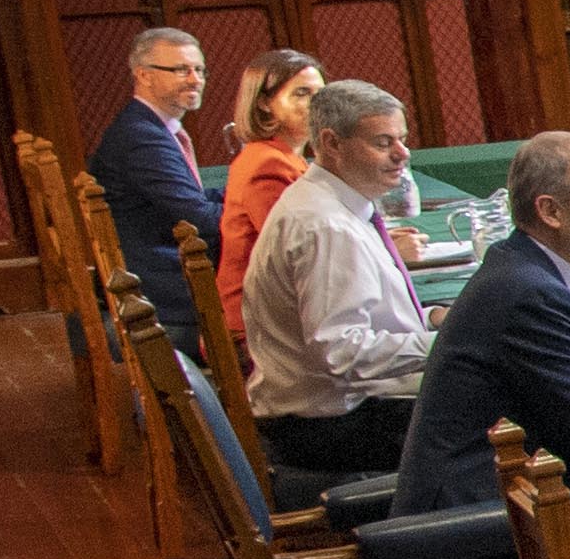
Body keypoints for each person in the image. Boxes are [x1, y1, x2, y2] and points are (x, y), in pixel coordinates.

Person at [396, 125, 570, 527]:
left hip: (502, 509)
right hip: (476, 540)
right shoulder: (530, 295)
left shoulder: (520, 268)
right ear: (551, 211)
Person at [238, 79, 435, 478]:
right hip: (325, 428)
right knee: (512, 421)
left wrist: (433, 319)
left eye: (402, 139)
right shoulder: (326, 227)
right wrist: (447, 341)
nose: (403, 154)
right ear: (331, 143)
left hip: (331, 411)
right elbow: (340, 353)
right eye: (383, 143)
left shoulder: (331, 205)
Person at [91, 25, 221, 344]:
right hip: (164, 301)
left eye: (199, 69)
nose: (195, 79)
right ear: (144, 75)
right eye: (180, 70)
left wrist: (249, 196)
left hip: (153, 279)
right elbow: (200, 219)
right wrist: (264, 214)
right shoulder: (141, 137)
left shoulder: (146, 127)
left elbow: (194, 199)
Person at [208, 47, 324, 328]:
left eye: (320, 94)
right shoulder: (267, 164)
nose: (317, 104)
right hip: (257, 329)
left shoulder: (286, 157)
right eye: (301, 93)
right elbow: (298, 253)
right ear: (263, 103)